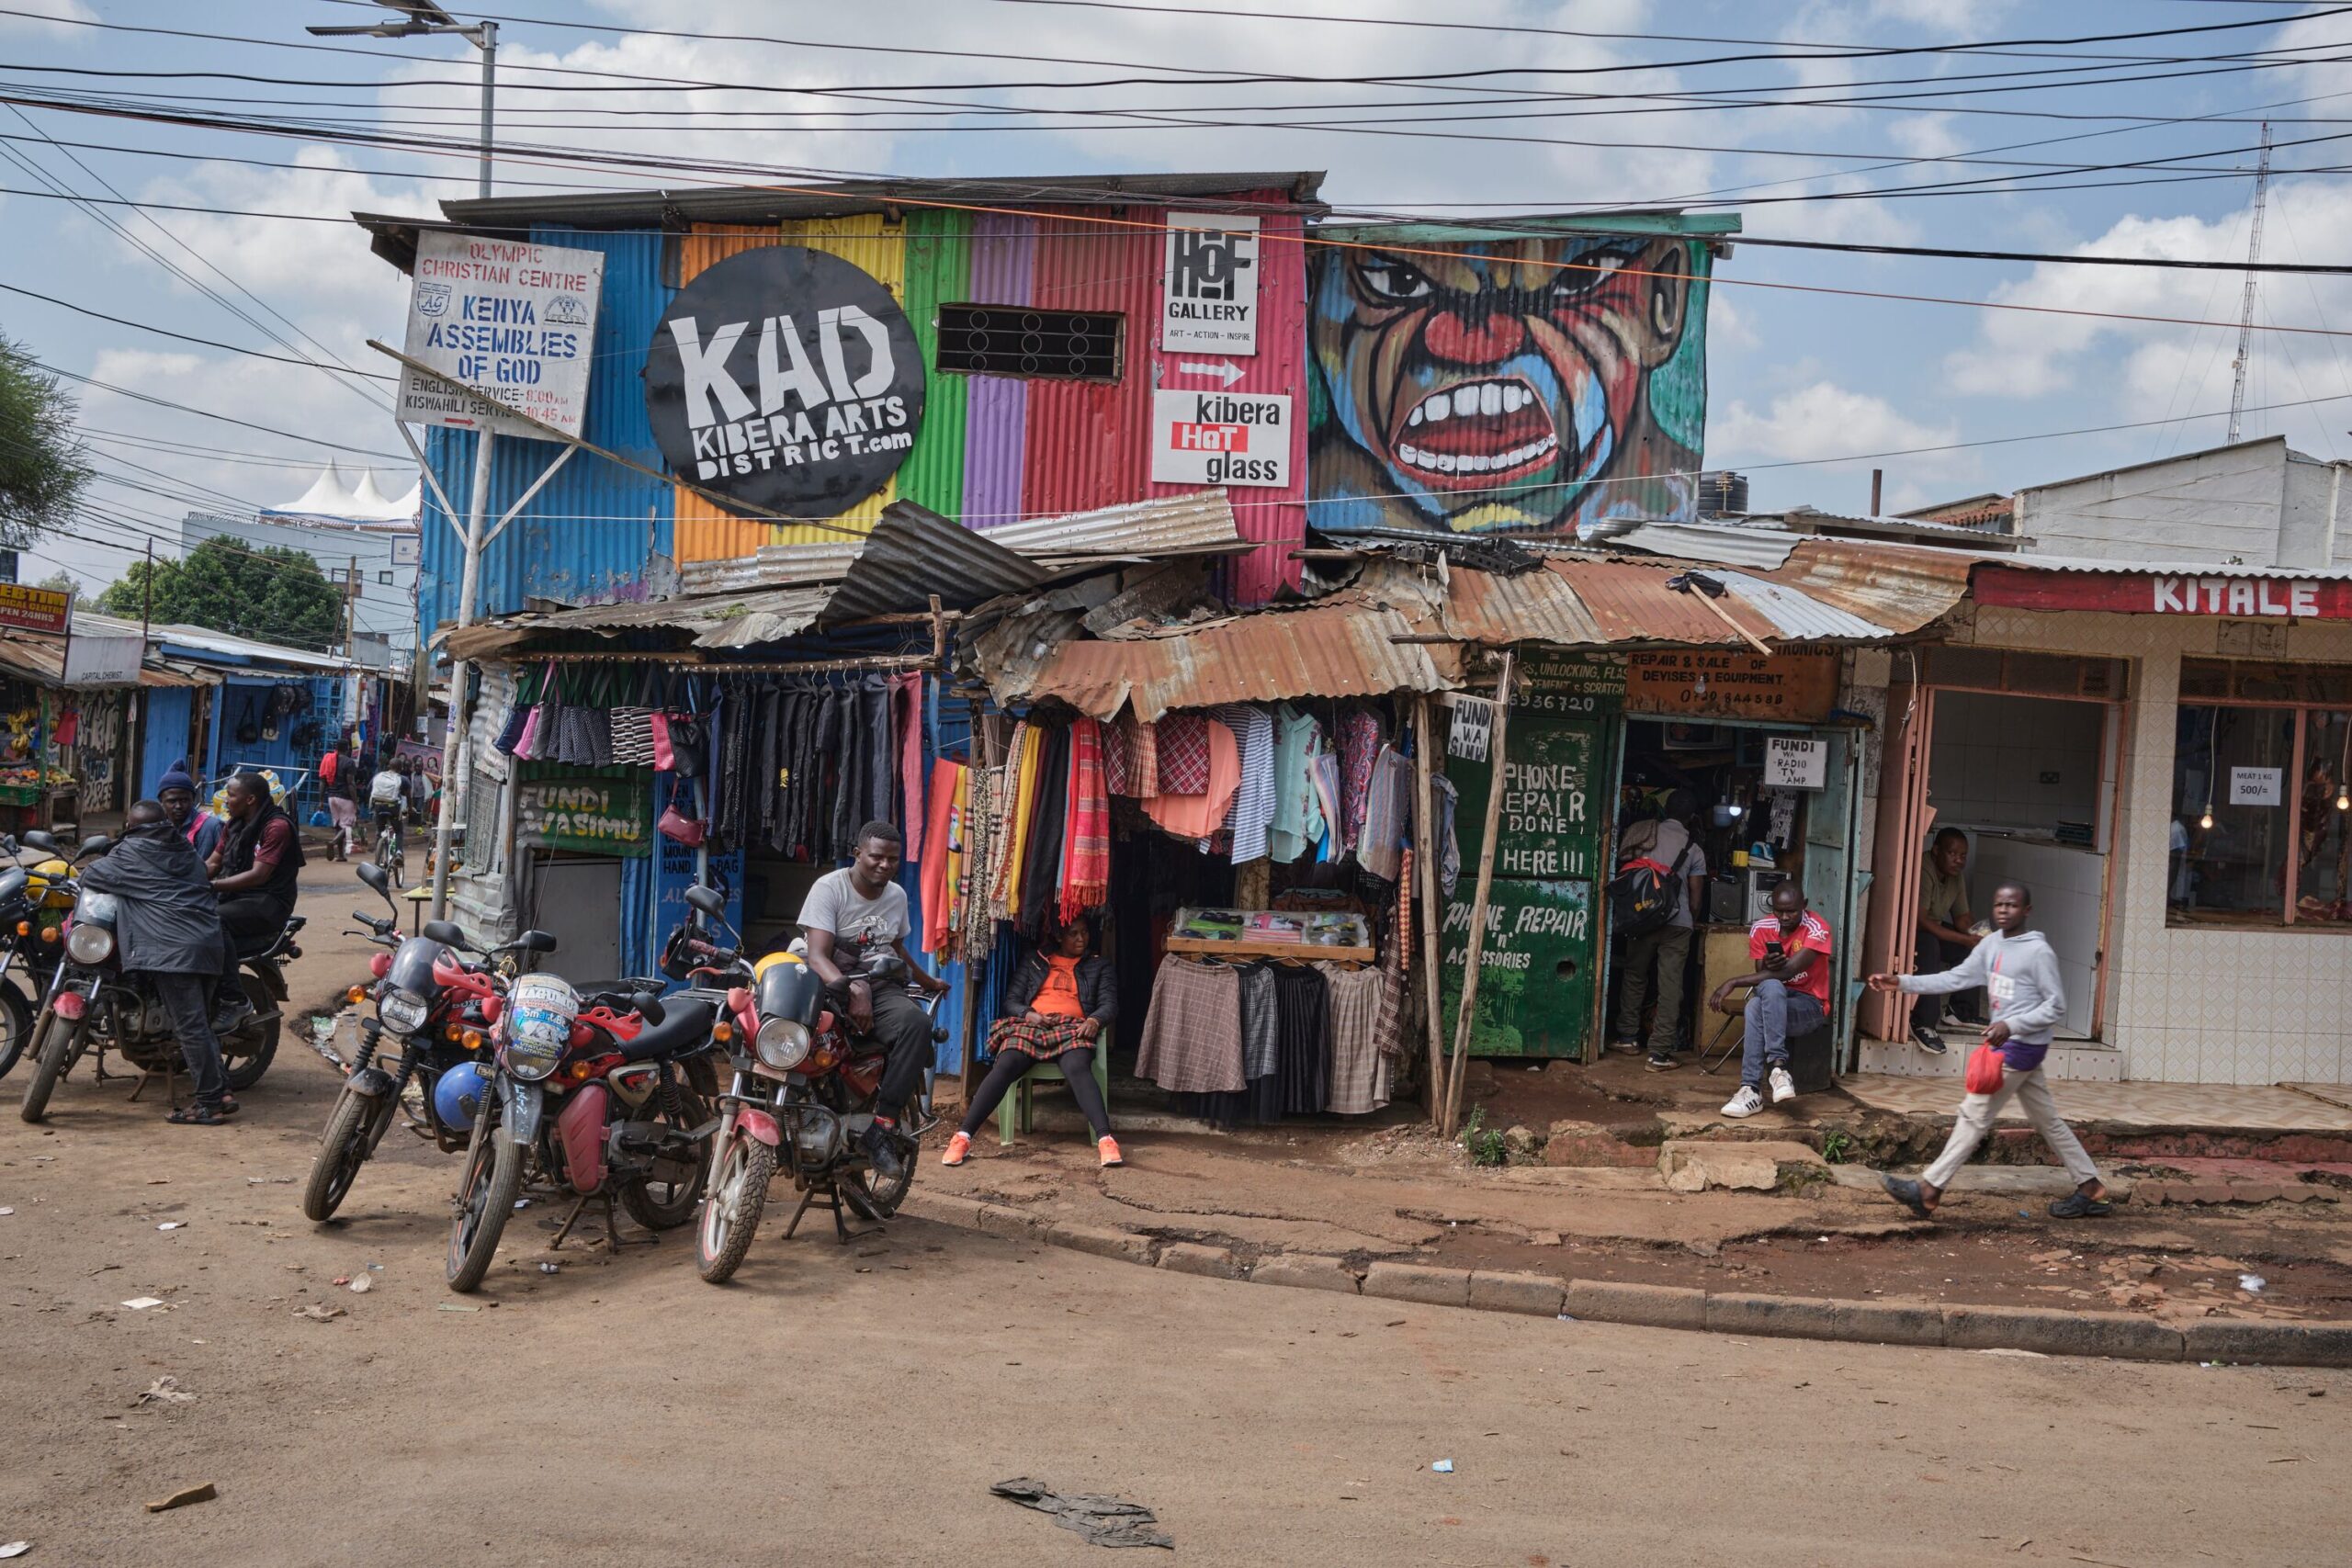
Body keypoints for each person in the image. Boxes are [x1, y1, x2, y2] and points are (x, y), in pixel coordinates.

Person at [1869, 881, 2111, 1221]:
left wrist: (2011, 1025)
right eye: (1999, 904)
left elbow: (2056, 1007)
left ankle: (1929, 1190)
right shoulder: (1991, 945)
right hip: (2010, 1045)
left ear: (2026, 910)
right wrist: (1903, 982)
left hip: (2019, 1048)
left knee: (1974, 1115)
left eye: (2012, 905)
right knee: (2048, 1121)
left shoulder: (2037, 952)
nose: (2004, 910)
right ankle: (2091, 1187)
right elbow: (1954, 979)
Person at [796, 821, 949, 1183]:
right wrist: (851, 989)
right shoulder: (829, 889)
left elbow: (894, 946)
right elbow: (817, 955)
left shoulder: (896, 896)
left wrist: (925, 980)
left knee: (917, 1025)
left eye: (892, 859)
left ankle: (881, 1128)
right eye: (876, 857)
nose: (884, 865)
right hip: (829, 981)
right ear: (858, 854)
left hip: (879, 984)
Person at [81, 800, 236, 1125]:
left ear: (131, 828)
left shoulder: (131, 852)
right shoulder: (184, 847)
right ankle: (221, 1092)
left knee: (189, 1028)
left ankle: (209, 1104)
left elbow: (93, 874)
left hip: (172, 951)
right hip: (208, 944)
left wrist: (114, 847)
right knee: (199, 1025)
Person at [941, 917, 1122, 1169]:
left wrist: (1094, 1019)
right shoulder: (1035, 960)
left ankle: (1106, 1139)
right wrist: (1030, 1014)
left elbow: (1109, 1004)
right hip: (1033, 1025)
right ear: (1059, 937)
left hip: (1072, 1027)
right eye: (1074, 934)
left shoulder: (1099, 965)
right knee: (1005, 1065)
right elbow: (1012, 1000)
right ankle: (963, 1137)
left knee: (1077, 1067)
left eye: (1085, 933)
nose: (1082, 939)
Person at [1708, 882, 1832, 1119]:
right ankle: (1771, 1075)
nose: (1784, 917)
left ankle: (1758, 1082)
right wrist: (1767, 962)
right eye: (1779, 910)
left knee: (1766, 994)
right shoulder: (1761, 928)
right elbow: (1763, 978)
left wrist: (1733, 982)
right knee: (1764, 995)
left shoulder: (1818, 928)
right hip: (1773, 1002)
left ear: (1804, 906)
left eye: (1792, 911)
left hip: (1808, 1006)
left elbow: (1787, 973)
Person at [1608, 788, 1708, 1072]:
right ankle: (1659, 1054)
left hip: (1642, 918)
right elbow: (1696, 896)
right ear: (1691, 817)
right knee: (1670, 985)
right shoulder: (1694, 848)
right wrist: (1689, 916)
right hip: (1677, 924)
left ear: (1665, 810)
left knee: (1634, 974)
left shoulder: (1644, 834)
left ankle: (1628, 1037)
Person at [208, 771, 303, 1033]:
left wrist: (210, 885)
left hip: (268, 902)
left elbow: (258, 875)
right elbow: (214, 862)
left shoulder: (277, 827)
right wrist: (180, 878)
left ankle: (234, 999)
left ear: (250, 799)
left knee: (214, 920)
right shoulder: (233, 824)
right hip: (238, 898)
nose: (226, 801)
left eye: (231, 795)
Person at [1912, 827, 1981, 1054]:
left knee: (1972, 949)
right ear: (1936, 851)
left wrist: (1980, 937)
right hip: (1912, 932)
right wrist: (1963, 939)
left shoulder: (1955, 875)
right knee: (1931, 947)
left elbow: (1962, 917)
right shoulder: (1924, 869)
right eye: (1953, 854)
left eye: (1963, 856)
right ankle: (1923, 1023)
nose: (1959, 860)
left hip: (1935, 929)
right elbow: (1921, 922)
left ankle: (1960, 1012)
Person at [153, 761, 223, 863]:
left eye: (184, 800)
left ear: (193, 799)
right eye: (172, 801)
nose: (178, 806)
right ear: (161, 802)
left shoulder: (211, 827)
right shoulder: (158, 827)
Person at [366, 757, 406, 861]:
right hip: (393, 808)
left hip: (378, 807)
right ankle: (398, 853)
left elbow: (369, 789)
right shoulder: (402, 779)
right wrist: (410, 808)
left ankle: (378, 854)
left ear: (389, 766)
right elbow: (409, 796)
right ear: (401, 768)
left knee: (380, 830)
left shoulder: (378, 776)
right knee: (398, 831)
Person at [323, 746, 358, 863]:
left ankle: (341, 855)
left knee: (338, 826)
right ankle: (332, 842)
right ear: (347, 749)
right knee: (348, 825)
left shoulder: (328, 760)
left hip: (331, 796)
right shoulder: (349, 762)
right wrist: (355, 801)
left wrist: (320, 800)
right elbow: (350, 783)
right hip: (345, 797)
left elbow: (322, 781)